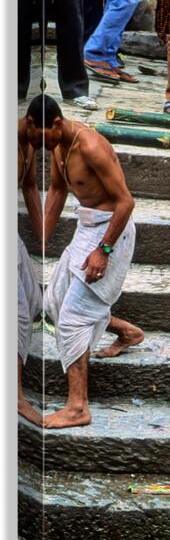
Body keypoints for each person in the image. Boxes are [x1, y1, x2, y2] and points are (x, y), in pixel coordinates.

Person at [30, 94, 143, 428]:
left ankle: (78, 407)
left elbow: (126, 202)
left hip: (112, 232)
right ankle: (128, 331)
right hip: (87, 226)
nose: (39, 145)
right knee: (55, 301)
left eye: (42, 138)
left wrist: (103, 252)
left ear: (57, 124)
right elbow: (57, 191)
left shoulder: (91, 146)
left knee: (73, 319)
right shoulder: (58, 147)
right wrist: (41, 238)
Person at [17, 112, 44, 426]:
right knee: (19, 315)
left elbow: (31, 187)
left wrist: (42, 233)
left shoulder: (28, 147)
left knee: (35, 299)